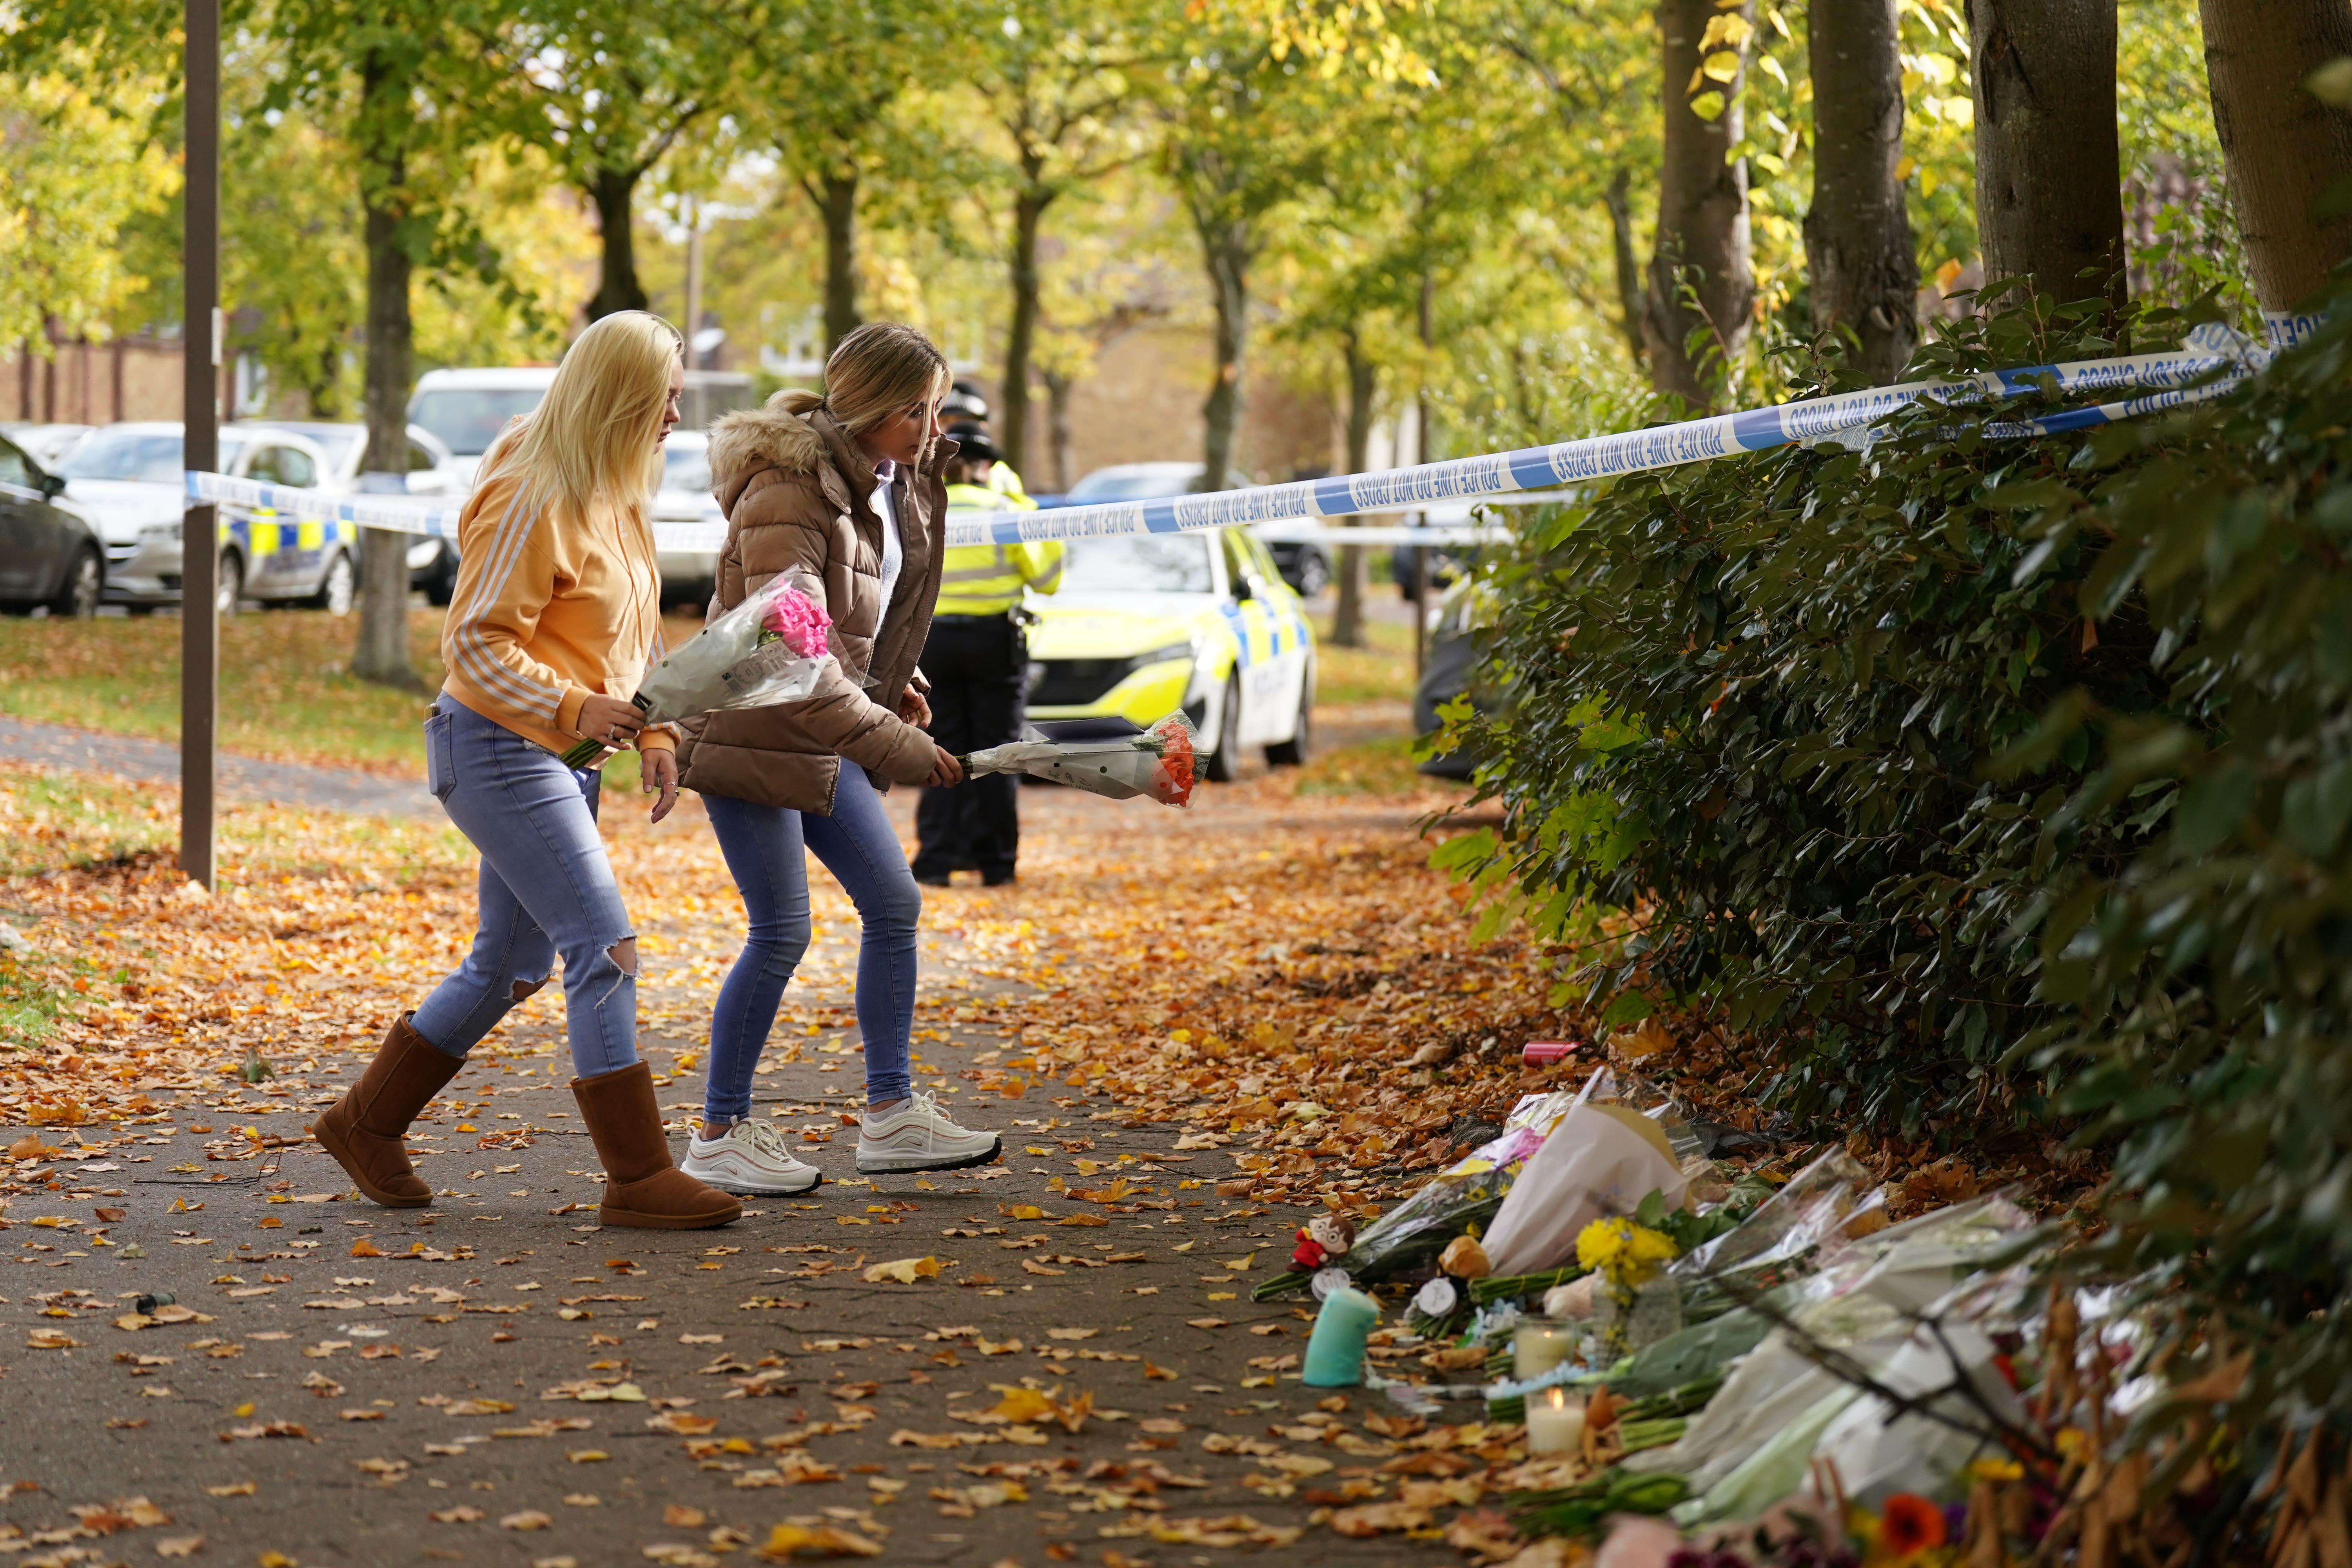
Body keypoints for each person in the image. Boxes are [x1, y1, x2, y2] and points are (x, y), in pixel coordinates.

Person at [312, 311, 741, 1231]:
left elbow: (630, 634)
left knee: (511, 961)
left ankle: (365, 1122)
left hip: (558, 755)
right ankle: (637, 1176)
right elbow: (473, 639)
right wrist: (573, 708)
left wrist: (657, 732)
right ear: (619, 394)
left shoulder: (617, 485)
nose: (674, 415)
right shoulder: (535, 486)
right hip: (498, 748)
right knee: (606, 949)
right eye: (664, 397)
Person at [670, 323, 1003, 1194]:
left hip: (828, 723)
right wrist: (902, 744)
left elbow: (863, 607)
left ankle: (891, 1117)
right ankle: (719, 1131)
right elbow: (796, 648)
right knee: (781, 930)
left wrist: (901, 681)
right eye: (926, 409)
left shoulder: (888, 481)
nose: (941, 427)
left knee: (894, 903)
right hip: (755, 727)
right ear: (885, 410)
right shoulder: (788, 492)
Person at [911, 427, 1061, 887]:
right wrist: (1024, 507)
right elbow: (1048, 578)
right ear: (983, 468)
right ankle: (996, 863)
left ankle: (936, 859)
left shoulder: (922, 507)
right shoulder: (1006, 511)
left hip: (932, 643)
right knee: (1000, 753)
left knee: (940, 749)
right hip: (994, 642)